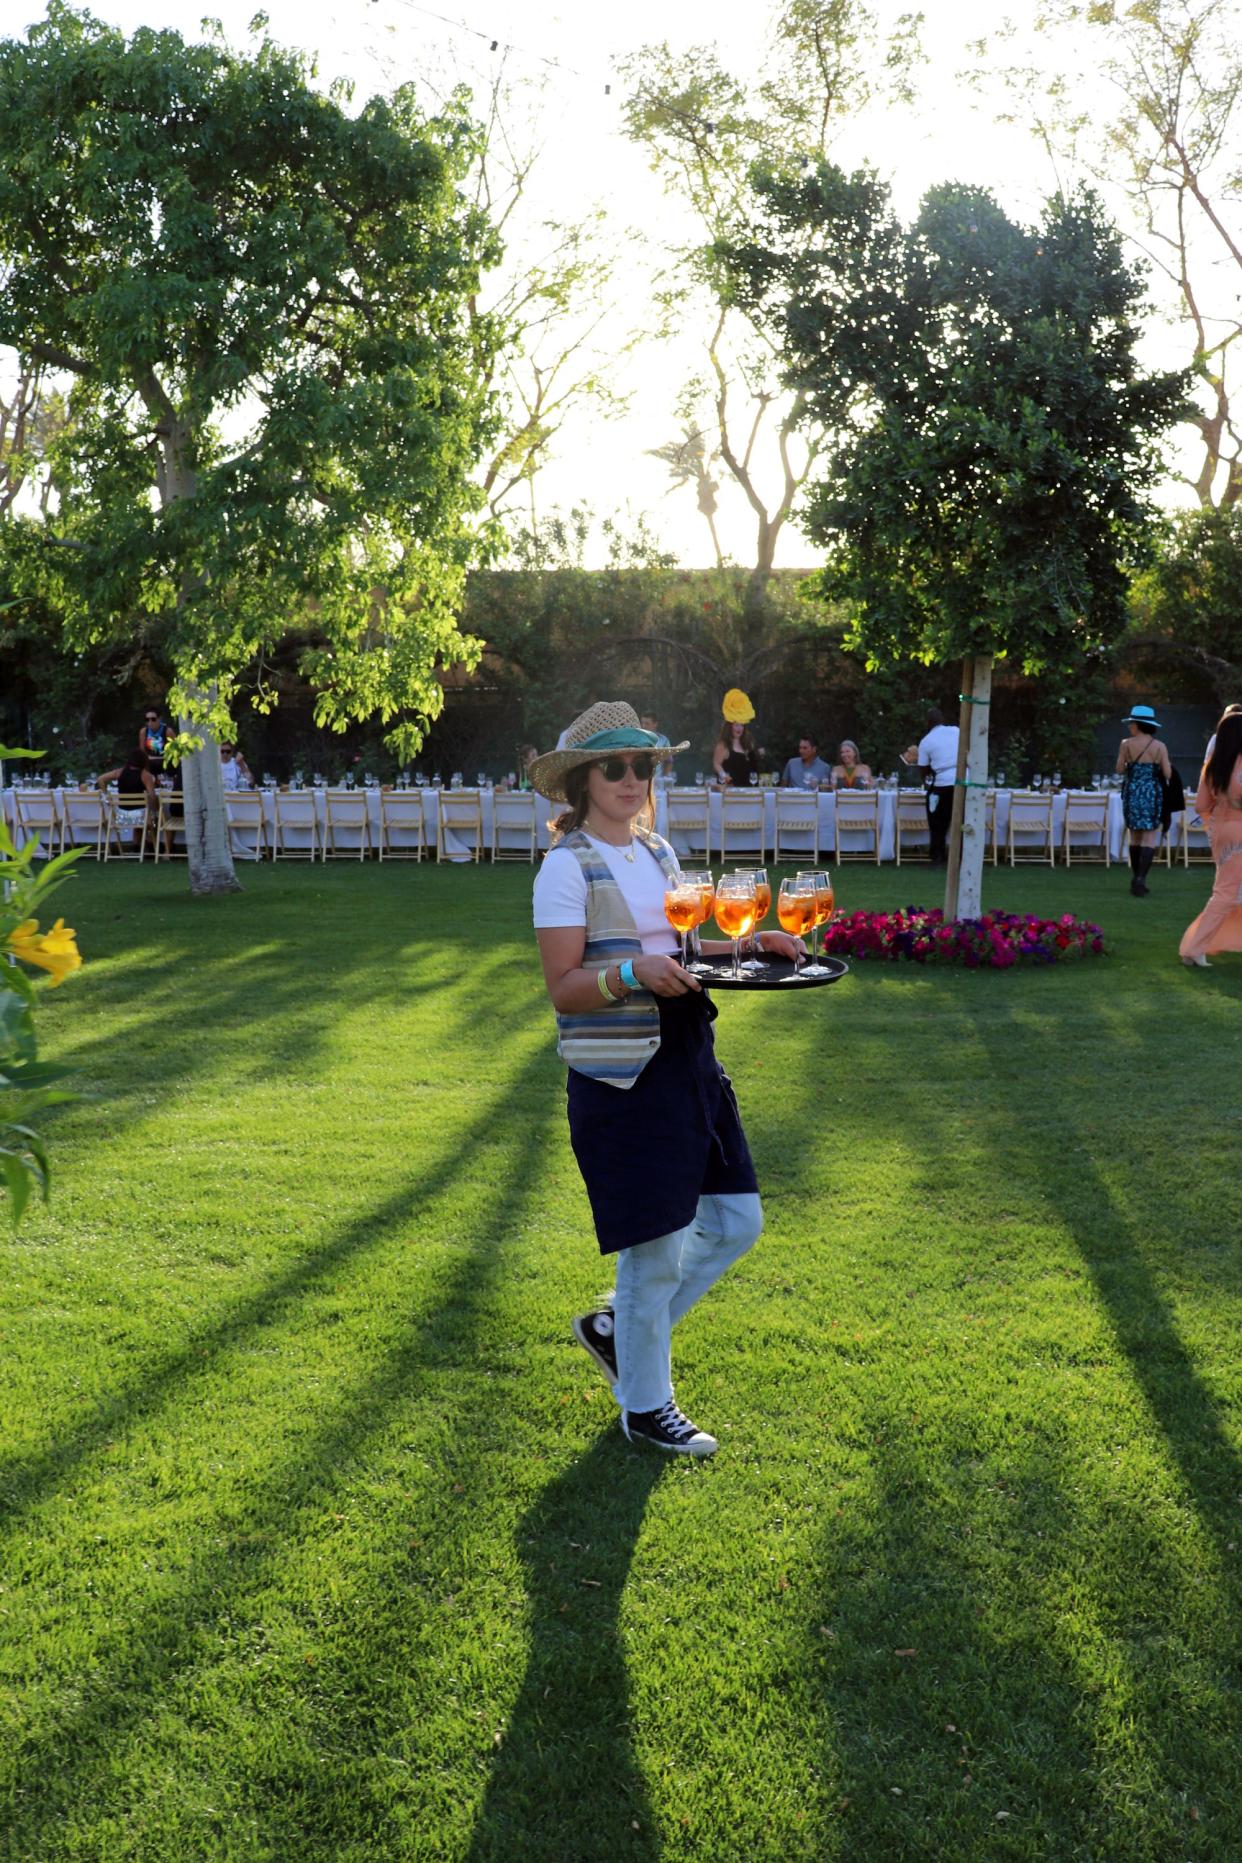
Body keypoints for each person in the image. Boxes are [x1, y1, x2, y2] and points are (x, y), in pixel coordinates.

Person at [528, 701, 803, 1458]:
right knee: (653, 1251)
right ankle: (647, 1407)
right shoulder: (564, 866)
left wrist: (749, 940)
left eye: (642, 765)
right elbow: (564, 986)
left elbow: (679, 948)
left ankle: (620, 1331)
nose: (630, 778)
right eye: (613, 766)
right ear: (582, 779)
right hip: (621, 1076)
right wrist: (627, 974)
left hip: (688, 1052)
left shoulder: (657, 853)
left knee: (737, 1220)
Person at [1179, 710, 1242, 967]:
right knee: (1226, 893)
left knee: (1226, 890)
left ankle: (1196, 948)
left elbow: (1201, 805)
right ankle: (1195, 948)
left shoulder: (1214, 766)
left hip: (1223, 831)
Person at [1116, 704, 1172, 896]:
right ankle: (1141, 878)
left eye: (1131, 723)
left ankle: (1135, 877)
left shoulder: (1126, 744)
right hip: (1152, 792)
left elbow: (1119, 769)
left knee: (1135, 836)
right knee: (1149, 835)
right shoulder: (1160, 746)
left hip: (1133, 791)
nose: (1130, 726)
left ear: (1137, 724)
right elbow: (1167, 773)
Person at [906, 708, 960, 865]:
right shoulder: (956, 731)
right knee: (961, 821)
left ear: (928, 723)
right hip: (963, 781)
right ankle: (961, 857)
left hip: (943, 784)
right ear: (942, 719)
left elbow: (923, 770)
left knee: (937, 822)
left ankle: (937, 857)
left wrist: (930, 773)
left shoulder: (926, 741)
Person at [97, 746, 156, 850]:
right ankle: (151, 844)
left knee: (142, 816)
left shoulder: (120, 772)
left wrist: (106, 794)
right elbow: (152, 796)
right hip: (140, 814)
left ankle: (136, 845)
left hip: (122, 814)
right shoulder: (145, 775)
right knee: (155, 817)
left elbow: (100, 779)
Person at [713, 689, 761, 786]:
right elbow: (716, 764)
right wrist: (725, 777)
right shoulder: (723, 744)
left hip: (749, 790)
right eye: (736, 725)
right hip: (731, 791)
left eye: (742, 725)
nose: (740, 728)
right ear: (730, 726)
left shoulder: (748, 743)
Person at [138, 707, 172, 782]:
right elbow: (142, 751)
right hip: (149, 763)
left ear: (159, 719)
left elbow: (175, 752)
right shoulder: (144, 731)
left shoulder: (167, 731)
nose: (150, 722)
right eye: (147, 720)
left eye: (153, 719)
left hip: (165, 763)